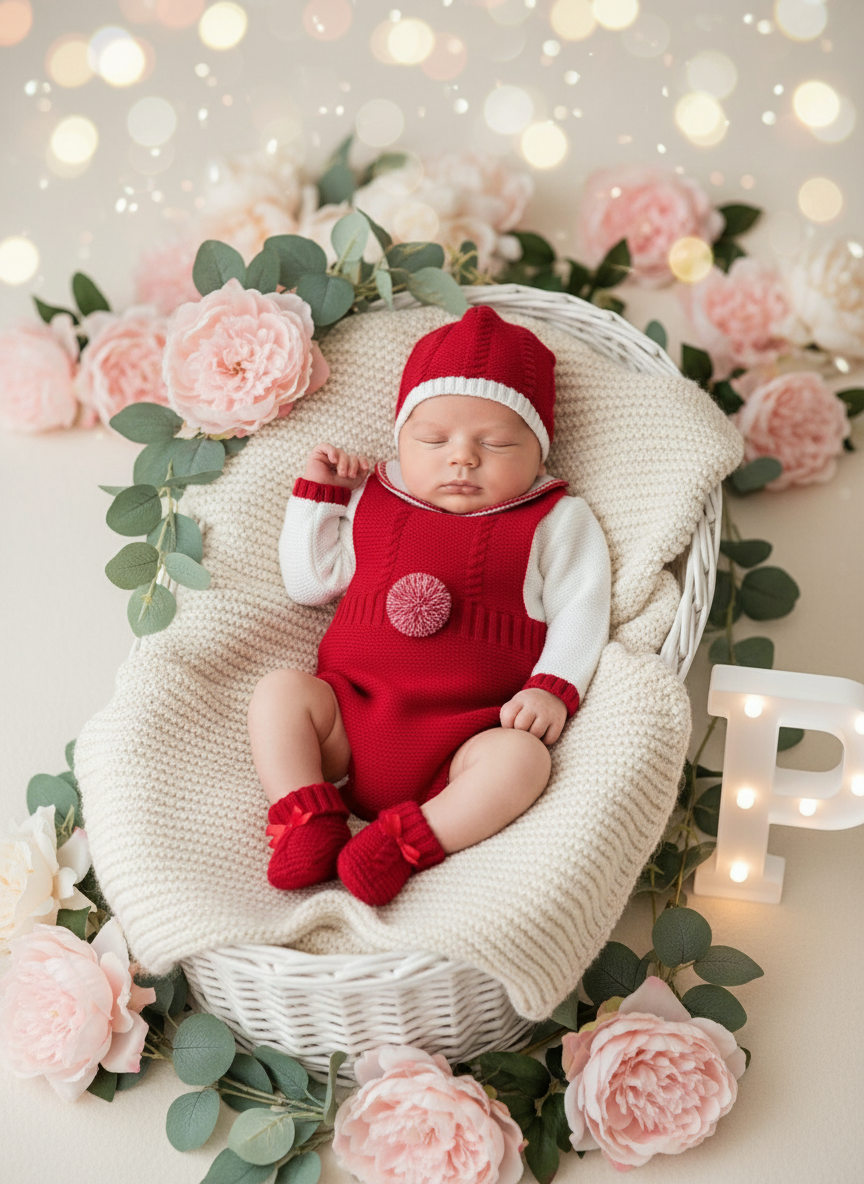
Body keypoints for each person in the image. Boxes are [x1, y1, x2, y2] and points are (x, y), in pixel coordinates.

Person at [248, 305, 611, 906]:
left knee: (524, 761)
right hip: (351, 718)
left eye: (496, 442)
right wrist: (321, 498)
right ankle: (306, 813)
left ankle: (405, 843)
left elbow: (582, 607)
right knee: (280, 693)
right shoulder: (372, 497)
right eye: (434, 439)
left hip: (466, 738)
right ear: (401, 441)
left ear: (540, 452)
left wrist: (552, 685)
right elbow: (308, 583)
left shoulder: (555, 519)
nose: (462, 457)